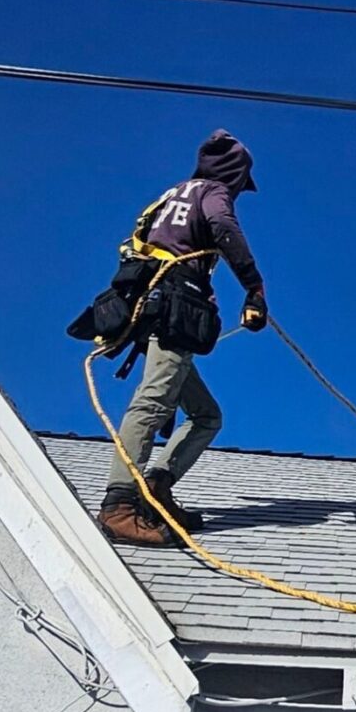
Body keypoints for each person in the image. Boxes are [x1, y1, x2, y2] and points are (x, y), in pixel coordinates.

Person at [94, 130, 268, 547]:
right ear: (235, 174)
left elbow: (140, 247)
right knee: (153, 400)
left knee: (206, 415)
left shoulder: (170, 195)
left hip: (151, 303)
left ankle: (155, 488)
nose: (240, 191)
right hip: (174, 305)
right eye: (242, 183)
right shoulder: (213, 192)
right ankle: (119, 505)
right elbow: (222, 226)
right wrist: (253, 287)